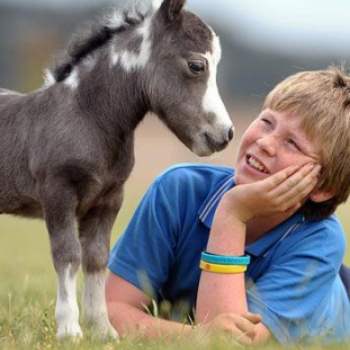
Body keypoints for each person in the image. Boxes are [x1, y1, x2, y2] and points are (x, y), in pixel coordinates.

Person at [105, 67, 350, 346]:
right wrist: (198, 337)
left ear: (322, 187)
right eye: (267, 122)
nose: (265, 142)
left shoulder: (320, 242)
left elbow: (233, 345)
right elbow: (110, 310)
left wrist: (232, 215)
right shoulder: (177, 191)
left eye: (293, 143)